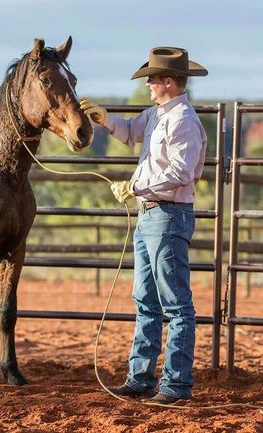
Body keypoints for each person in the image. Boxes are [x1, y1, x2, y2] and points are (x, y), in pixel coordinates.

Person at [81, 47, 208, 405]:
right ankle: (141, 378)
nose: (149, 83)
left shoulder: (182, 119)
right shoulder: (158, 114)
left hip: (166, 214)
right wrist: (105, 118)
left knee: (175, 304)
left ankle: (176, 385)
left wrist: (136, 186)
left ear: (169, 82)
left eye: (153, 78)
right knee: (146, 301)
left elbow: (181, 173)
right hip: (152, 215)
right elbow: (130, 131)